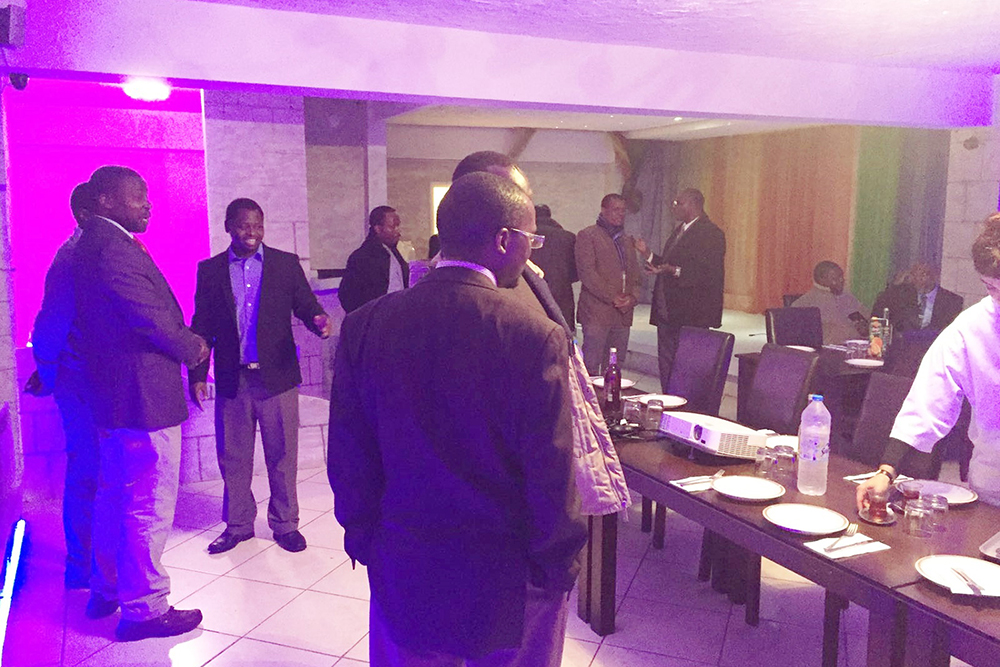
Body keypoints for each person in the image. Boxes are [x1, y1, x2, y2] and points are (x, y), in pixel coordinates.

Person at [328, 172, 587, 666]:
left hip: (403, 559)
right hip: (503, 573)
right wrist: (558, 565)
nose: (532, 254)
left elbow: (348, 451)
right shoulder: (533, 336)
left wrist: (363, 536)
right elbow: (551, 470)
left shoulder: (366, 325)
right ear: (504, 240)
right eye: (531, 240)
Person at [73, 165, 209, 641]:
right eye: (138, 196)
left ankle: (107, 588)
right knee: (147, 502)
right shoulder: (112, 248)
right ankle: (145, 609)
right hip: (142, 398)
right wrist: (194, 347)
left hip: (117, 399)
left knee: (115, 496)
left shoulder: (91, 243)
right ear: (106, 200)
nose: (148, 204)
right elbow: (149, 318)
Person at [190, 198, 332, 555]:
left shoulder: (285, 264)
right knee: (233, 457)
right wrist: (197, 373)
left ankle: (285, 525)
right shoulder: (210, 271)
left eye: (257, 225)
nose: (251, 232)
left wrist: (318, 320)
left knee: (282, 456)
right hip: (232, 378)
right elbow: (202, 325)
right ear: (228, 227)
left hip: (277, 377)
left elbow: (306, 304)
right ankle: (238, 525)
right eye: (243, 225)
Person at [857, 213, 1000, 510]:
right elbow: (928, 398)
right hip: (992, 481)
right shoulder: (973, 326)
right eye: (992, 287)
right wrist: (887, 471)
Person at [23, 182, 101, 590]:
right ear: (86, 214)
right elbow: (50, 326)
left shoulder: (92, 253)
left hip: (92, 382)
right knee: (87, 472)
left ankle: (92, 561)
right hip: (82, 383)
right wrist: (50, 376)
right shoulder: (72, 257)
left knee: (96, 471)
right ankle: (81, 565)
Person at [635, 188, 726, 391]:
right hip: (667, 312)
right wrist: (648, 254)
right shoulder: (680, 231)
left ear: (692, 204)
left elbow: (708, 274)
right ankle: (669, 397)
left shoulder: (711, 234)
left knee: (687, 367)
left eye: (678, 203)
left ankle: (684, 402)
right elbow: (668, 264)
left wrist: (674, 270)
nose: (673, 207)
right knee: (667, 364)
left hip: (691, 314)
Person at [575, 193, 641, 375]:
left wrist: (633, 298)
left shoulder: (626, 240)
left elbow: (635, 275)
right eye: (616, 210)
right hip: (597, 313)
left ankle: (611, 394)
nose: (620, 214)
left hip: (622, 314)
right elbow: (587, 273)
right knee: (591, 363)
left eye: (623, 210)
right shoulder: (588, 235)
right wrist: (613, 297)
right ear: (603, 210)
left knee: (615, 365)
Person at [338, 206, 409, 313]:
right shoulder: (362, 257)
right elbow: (347, 296)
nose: (398, 232)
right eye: (393, 227)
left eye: (398, 226)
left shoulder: (394, 253)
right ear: (378, 229)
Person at [791, 260, 868, 344]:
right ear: (821, 280)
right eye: (835, 278)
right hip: (832, 347)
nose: (841, 280)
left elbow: (868, 316)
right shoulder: (809, 302)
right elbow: (838, 330)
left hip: (858, 343)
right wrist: (858, 331)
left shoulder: (846, 295)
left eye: (841, 276)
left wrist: (866, 326)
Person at [531, 204, 578, 330]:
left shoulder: (528, 237)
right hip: (562, 294)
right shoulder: (568, 237)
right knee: (562, 334)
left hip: (533, 292)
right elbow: (576, 273)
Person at [908, 262, 964, 330]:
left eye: (924, 274)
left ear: (934, 276)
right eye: (914, 275)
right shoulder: (905, 296)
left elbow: (950, 328)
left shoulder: (953, 301)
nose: (917, 279)